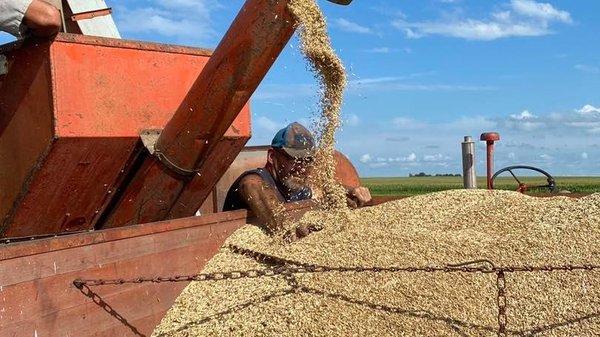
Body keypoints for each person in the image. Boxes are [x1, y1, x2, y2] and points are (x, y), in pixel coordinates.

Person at [223, 122, 371, 240]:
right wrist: (285, 226)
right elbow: (251, 185)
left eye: (307, 160)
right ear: (272, 157)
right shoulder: (257, 179)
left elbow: (319, 190)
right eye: (294, 159)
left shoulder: (295, 186)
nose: (302, 167)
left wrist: (349, 192)